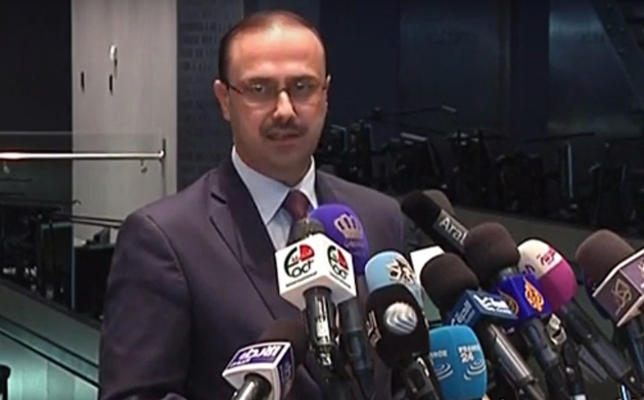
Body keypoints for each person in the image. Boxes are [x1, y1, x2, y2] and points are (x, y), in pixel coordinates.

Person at [99, 10, 409, 400]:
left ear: (326, 95)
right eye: (259, 89)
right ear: (225, 100)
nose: (285, 110)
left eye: (302, 87)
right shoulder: (164, 239)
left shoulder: (379, 218)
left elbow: (400, 377)